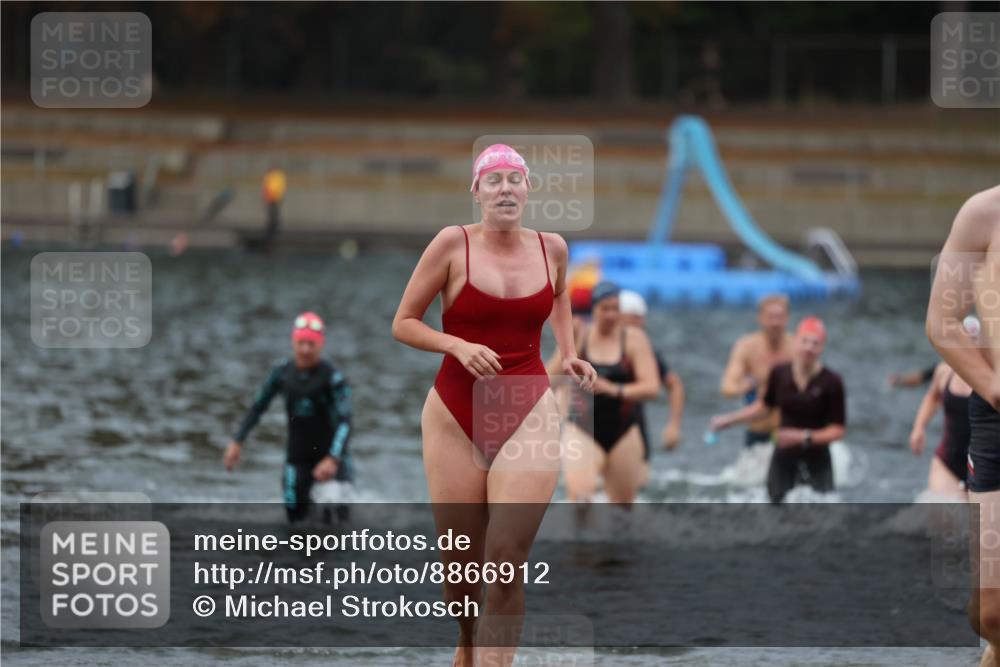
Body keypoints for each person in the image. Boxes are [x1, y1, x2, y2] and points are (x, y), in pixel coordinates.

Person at [391, 143, 596, 667]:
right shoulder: (451, 245)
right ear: (476, 191)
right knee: (461, 573)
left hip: (525, 405)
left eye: (514, 179)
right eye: (493, 179)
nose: (505, 188)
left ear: (528, 189)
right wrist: (456, 344)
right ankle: (466, 640)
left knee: (505, 561)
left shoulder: (553, 247)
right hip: (454, 411)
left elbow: (558, 296)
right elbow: (404, 323)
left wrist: (569, 353)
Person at [925, 185, 1000, 667]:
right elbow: (942, 322)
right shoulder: (984, 213)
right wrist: (993, 388)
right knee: (992, 614)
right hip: (996, 416)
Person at [223, 312, 353, 523]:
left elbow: (345, 421)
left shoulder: (333, 377)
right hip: (297, 458)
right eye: (301, 343)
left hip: (333, 459)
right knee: (295, 523)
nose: (305, 350)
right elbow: (258, 406)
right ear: (293, 342)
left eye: (311, 344)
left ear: (321, 345)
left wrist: (332, 459)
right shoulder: (282, 372)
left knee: (335, 521)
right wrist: (237, 441)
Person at [709, 317, 847, 503]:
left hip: (817, 459)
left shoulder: (832, 382)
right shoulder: (780, 373)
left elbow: (838, 430)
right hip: (783, 456)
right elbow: (764, 406)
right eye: (804, 341)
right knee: (774, 509)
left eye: (815, 343)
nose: (808, 348)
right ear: (796, 341)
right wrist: (729, 420)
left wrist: (802, 437)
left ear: (822, 347)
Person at [557, 282, 661, 504]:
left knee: (622, 508)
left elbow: (652, 388)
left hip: (624, 431)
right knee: (581, 500)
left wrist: (613, 389)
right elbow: (549, 377)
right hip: (582, 429)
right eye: (605, 308)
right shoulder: (579, 335)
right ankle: (578, 539)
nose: (611, 315)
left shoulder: (634, 339)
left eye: (616, 309)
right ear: (594, 310)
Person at [718, 294, 794, 449]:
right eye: (771, 317)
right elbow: (727, 388)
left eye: (780, 317)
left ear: (787, 318)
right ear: (760, 318)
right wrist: (750, 384)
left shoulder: (797, 348)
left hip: (789, 431)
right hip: (757, 431)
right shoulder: (747, 347)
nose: (775, 323)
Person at [618, 289, 686, 453]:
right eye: (635, 317)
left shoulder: (645, 351)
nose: (641, 323)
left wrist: (674, 426)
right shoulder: (589, 342)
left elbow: (674, 385)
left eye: (642, 318)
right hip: (592, 423)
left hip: (631, 424)